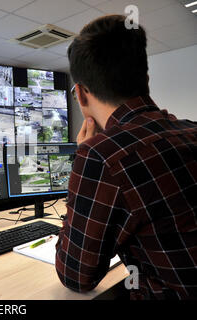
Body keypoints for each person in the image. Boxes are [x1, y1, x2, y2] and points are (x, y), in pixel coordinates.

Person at [55, 14, 197, 300]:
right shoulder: (191, 131)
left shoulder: (101, 156)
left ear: (81, 95)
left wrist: (83, 162)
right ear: (145, 80)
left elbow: (76, 275)